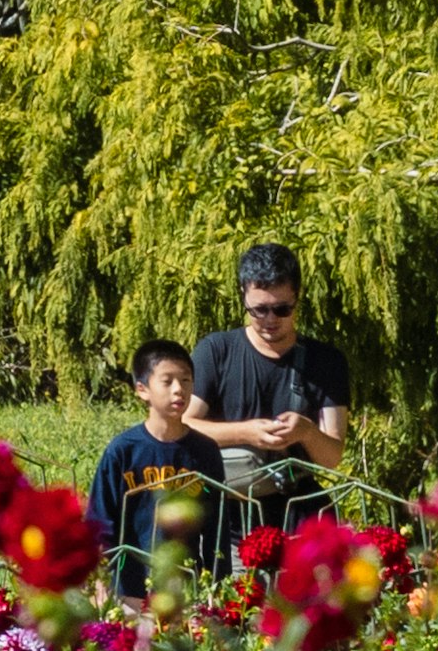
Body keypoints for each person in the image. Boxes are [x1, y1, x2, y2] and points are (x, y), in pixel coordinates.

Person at [191, 244, 353, 531]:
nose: (270, 320)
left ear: (297, 298)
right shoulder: (215, 351)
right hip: (229, 519)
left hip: (300, 517)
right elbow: (182, 427)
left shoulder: (327, 361)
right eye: (259, 310)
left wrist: (305, 431)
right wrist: (247, 433)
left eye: (281, 309)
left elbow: (331, 458)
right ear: (243, 296)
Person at [85, 339, 230, 594]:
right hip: (130, 587)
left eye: (186, 380)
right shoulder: (123, 450)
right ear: (142, 389)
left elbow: (216, 527)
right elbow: (100, 523)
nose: (179, 390)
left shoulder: (205, 452)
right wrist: (101, 586)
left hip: (185, 587)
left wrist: (218, 589)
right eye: (167, 381)